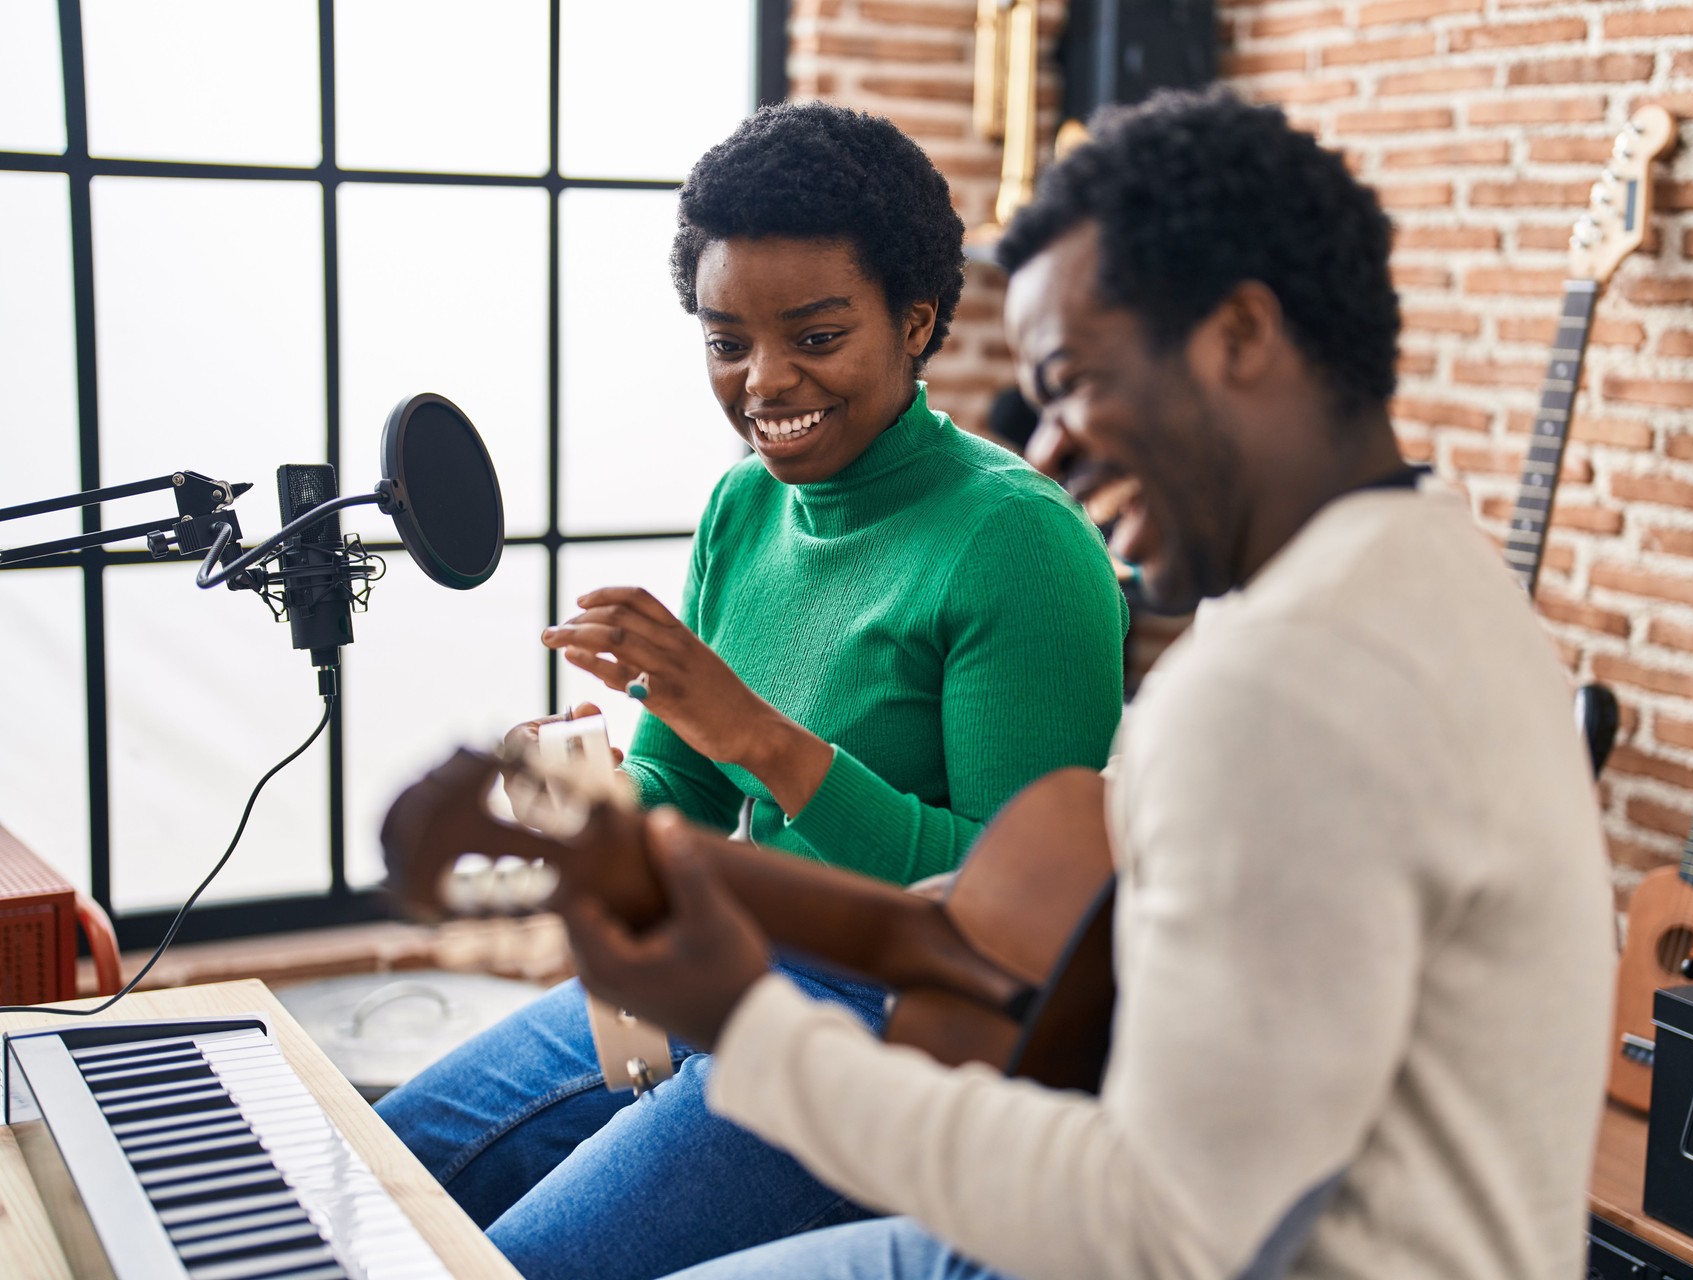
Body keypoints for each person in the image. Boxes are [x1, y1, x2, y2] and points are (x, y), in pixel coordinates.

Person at [555, 89, 1617, 1280]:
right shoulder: (1428, 581)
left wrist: (753, 1029)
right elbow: (1009, 910)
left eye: (1070, 381)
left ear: (1240, 337)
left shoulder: (1280, 687)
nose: (1048, 448)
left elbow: (1150, 1225)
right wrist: (686, 875)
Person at [375, 102, 1126, 1280]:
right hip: (718, 958)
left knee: (516, 1263)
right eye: (727, 340)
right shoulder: (745, 506)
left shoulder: (1017, 544)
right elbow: (684, 789)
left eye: (817, 335)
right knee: (388, 1170)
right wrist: (602, 808)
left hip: (892, 1028)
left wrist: (758, 733)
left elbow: (1016, 935)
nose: (765, 380)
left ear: (918, 320)